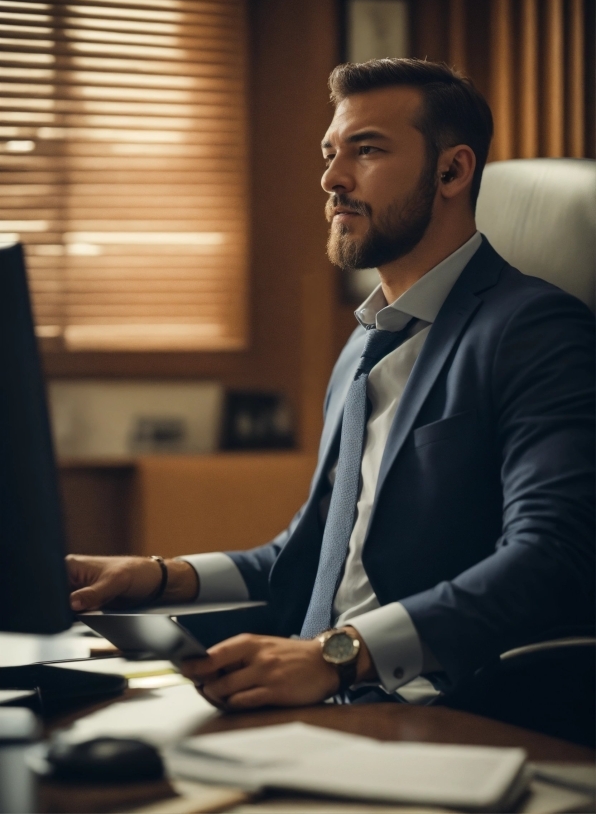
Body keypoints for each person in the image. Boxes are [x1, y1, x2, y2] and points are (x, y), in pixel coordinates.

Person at [66, 59, 595, 712]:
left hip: (440, 707)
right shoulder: (365, 345)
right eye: (330, 153)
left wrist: (337, 656)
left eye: (367, 151)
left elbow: (552, 557)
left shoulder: (534, 328)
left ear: (453, 171)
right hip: (323, 700)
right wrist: (152, 577)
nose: (332, 179)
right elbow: (311, 552)